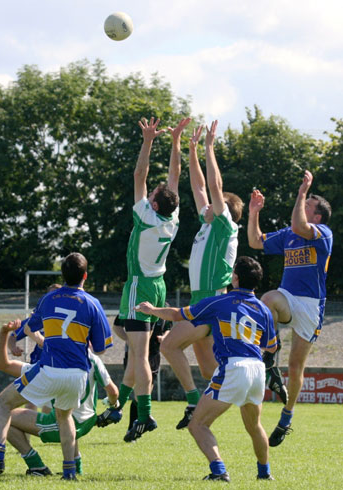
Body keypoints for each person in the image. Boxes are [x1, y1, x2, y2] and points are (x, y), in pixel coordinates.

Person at [0, 252, 113, 481]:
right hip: (77, 374)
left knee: (2, 402)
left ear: (62, 275)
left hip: (49, 369)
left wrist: (41, 338)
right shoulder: (93, 304)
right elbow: (102, 349)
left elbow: (28, 328)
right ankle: (69, 472)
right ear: (85, 276)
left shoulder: (49, 299)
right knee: (64, 418)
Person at [136, 256, 278, 482]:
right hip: (257, 369)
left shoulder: (219, 302)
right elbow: (271, 346)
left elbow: (176, 314)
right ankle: (264, 473)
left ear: (235, 278)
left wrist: (151, 309)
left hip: (234, 367)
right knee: (254, 425)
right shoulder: (264, 310)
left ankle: (219, 471)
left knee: (198, 424)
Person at [97, 116, 190, 442]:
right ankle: (121, 404)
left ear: (152, 202)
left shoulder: (145, 216)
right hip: (159, 284)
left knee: (138, 356)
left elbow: (140, 173)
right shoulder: (172, 216)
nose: (149, 190)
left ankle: (145, 414)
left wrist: (149, 140)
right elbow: (175, 177)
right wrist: (176, 141)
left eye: (152, 193)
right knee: (124, 334)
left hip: (140, 285)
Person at [160, 121, 245, 430]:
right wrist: (192, 150)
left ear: (223, 211)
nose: (206, 205)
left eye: (213, 205)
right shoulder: (208, 224)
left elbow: (212, 187)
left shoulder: (225, 226)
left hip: (210, 302)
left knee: (168, 346)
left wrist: (209, 148)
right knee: (212, 373)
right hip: (203, 301)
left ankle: (194, 400)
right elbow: (197, 187)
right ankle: (220, 405)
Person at [248, 170, 333, 447]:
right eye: (304, 203)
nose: (303, 205)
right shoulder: (289, 234)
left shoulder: (322, 234)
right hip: (287, 296)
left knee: (296, 367)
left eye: (309, 205)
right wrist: (254, 212)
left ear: (317, 217)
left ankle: (287, 416)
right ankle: (271, 356)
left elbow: (300, 226)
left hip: (311, 307)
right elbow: (255, 241)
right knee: (269, 299)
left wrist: (302, 192)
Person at [0, 319, 119, 477]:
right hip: (88, 420)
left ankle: (36, 465)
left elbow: (3, 364)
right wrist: (114, 407)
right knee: (66, 411)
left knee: (6, 417)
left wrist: (4, 333)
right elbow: (113, 392)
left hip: (68, 423)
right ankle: (76, 467)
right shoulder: (93, 359)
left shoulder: (54, 365)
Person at [97, 313, 171, 434]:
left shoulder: (163, 308)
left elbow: (168, 327)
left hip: (153, 355)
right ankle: (126, 418)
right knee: (134, 386)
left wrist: (164, 337)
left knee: (142, 393)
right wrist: (129, 338)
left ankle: (127, 420)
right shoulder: (132, 308)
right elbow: (116, 326)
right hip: (134, 353)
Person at [8, 283, 62, 412]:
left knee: (50, 406)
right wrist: (13, 347)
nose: (53, 297)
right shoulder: (39, 317)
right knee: (31, 401)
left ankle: (45, 430)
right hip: (36, 365)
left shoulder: (65, 318)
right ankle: (27, 428)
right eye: (50, 294)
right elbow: (13, 335)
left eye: (57, 295)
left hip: (56, 366)